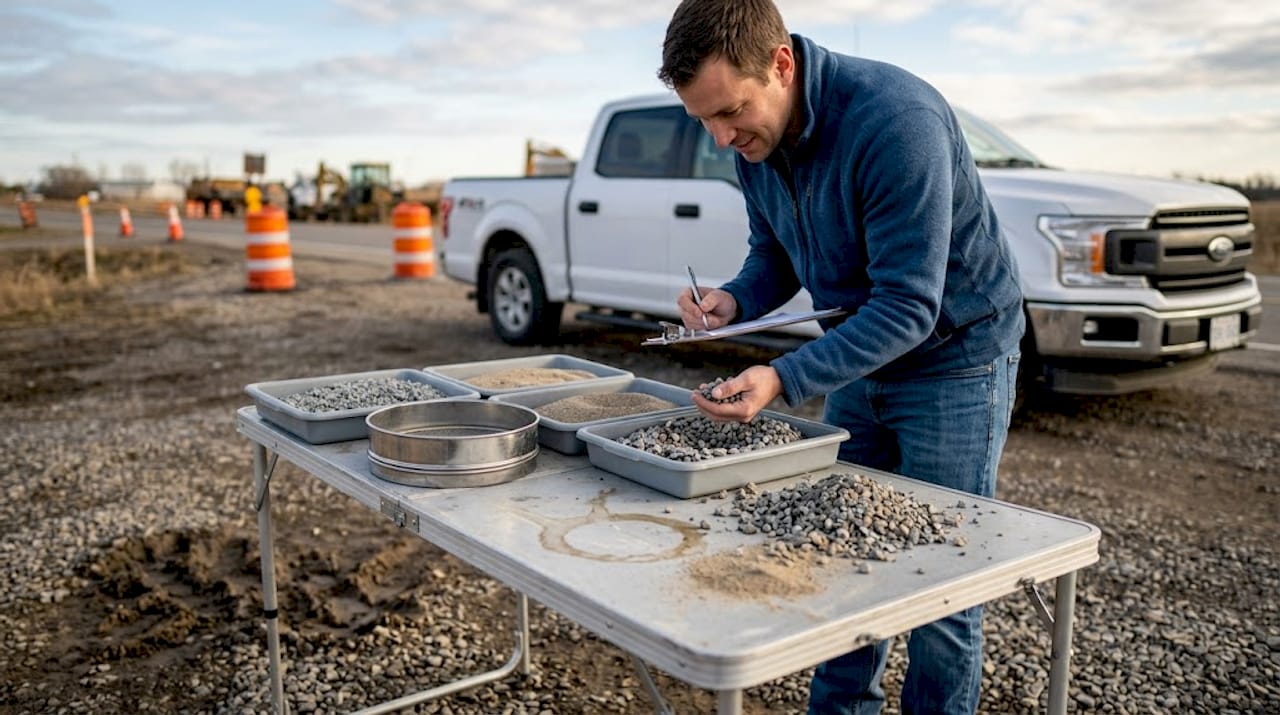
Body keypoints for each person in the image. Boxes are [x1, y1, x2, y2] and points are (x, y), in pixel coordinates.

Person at [658, 1, 1025, 714]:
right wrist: (733, 300)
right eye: (703, 120)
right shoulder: (752, 143)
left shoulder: (896, 123)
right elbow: (773, 253)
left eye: (730, 111)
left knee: (939, 576)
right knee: (840, 552)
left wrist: (784, 375)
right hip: (862, 350)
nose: (722, 136)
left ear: (782, 65)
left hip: (958, 358)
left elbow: (910, 305)